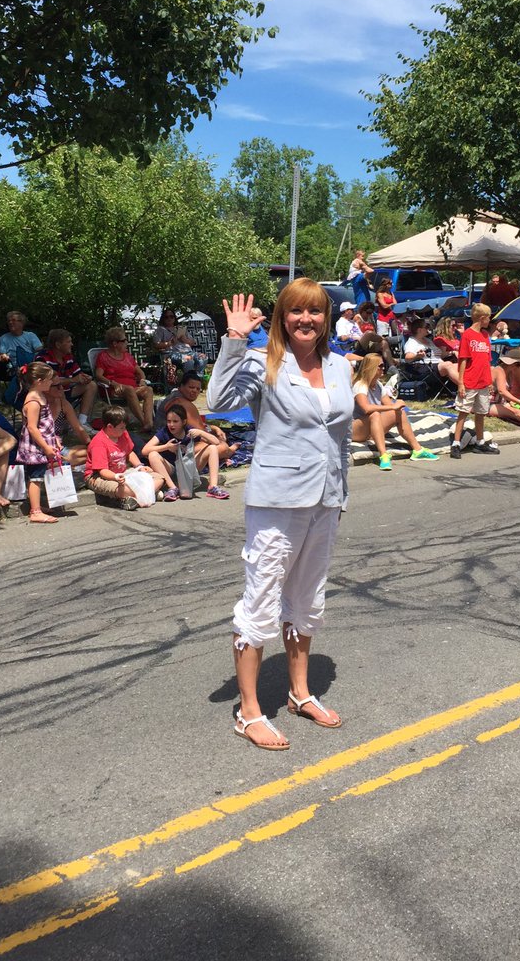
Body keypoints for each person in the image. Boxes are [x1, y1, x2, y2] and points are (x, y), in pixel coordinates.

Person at [206, 282, 354, 751]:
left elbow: (340, 438)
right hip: (277, 501)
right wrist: (233, 341)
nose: (305, 319)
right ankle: (249, 712)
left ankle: (300, 692)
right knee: (262, 597)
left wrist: (338, 493)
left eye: (314, 311)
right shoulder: (263, 360)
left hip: (325, 499)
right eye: (296, 311)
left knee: (307, 597)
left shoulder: (339, 366)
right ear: (282, 317)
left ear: (325, 318)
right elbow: (218, 401)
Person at [350, 353, 438, 469]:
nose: (384, 368)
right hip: (355, 429)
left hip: (370, 427)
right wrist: (393, 407)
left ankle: (417, 449)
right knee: (375, 414)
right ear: (371, 367)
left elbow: (390, 405)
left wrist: (396, 406)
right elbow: (366, 408)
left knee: (399, 411)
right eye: (380, 366)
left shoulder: (378, 385)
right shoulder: (360, 385)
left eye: (384, 365)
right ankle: (383, 455)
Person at [86, 407, 170, 508]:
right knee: (125, 490)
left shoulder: (123, 434)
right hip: (99, 476)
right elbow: (102, 471)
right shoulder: (99, 443)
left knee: (159, 478)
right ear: (109, 427)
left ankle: (137, 497)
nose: (124, 430)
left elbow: (129, 453)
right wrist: (116, 477)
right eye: (121, 428)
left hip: (123, 472)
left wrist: (139, 467)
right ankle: (144, 495)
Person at [142, 404, 229, 499]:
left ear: (183, 422)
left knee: (212, 448)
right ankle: (172, 488)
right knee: (153, 454)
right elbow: (145, 450)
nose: (171, 425)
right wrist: (166, 447)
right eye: (169, 421)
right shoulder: (164, 432)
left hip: (189, 468)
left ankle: (213, 487)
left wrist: (201, 432)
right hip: (171, 469)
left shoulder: (190, 431)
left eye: (175, 421)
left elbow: (216, 442)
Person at [15, 361, 63, 525]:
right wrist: (45, 447)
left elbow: (46, 423)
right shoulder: (34, 401)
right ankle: (35, 511)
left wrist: (54, 439)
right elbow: (32, 428)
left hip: (43, 442)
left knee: (39, 475)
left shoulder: (40, 396)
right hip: (36, 446)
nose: (52, 383)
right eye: (49, 380)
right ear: (38, 381)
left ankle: (37, 506)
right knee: (36, 477)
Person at [450, 303, 499, 460]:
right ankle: (456, 443)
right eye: (489, 317)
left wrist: (489, 381)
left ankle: (480, 442)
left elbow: (487, 361)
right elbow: (463, 360)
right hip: (470, 380)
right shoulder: (468, 335)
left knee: (481, 412)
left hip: (483, 382)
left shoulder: (485, 336)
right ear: (482, 318)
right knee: (463, 412)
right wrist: (461, 382)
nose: (490, 320)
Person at [160, 371, 238, 463]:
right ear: (181, 386)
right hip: (172, 447)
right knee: (222, 447)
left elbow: (194, 425)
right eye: (191, 387)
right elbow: (201, 431)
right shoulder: (183, 403)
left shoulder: (175, 398)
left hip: (173, 442)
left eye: (198, 389)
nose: (195, 391)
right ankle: (230, 450)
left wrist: (214, 428)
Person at [93, 326, 154, 432]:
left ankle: (149, 423)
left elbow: (140, 372)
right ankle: (144, 423)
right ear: (115, 343)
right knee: (129, 389)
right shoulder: (103, 356)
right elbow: (98, 375)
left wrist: (142, 380)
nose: (127, 343)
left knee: (148, 390)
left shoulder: (128, 356)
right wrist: (113, 383)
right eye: (124, 340)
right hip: (113, 389)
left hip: (132, 389)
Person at [37, 328, 97, 430]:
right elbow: (47, 382)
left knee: (91, 385)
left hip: (66, 391)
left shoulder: (68, 357)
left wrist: (85, 377)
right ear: (58, 345)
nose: (72, 344)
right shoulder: (42, 358)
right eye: (68, 342)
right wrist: (73, 380)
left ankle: (82, 422)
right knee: (58, 389)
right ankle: (61, 424)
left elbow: (78, 373)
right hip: (49, 394)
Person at [153, 308, 208, 377]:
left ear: (174, 318)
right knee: (188, 359)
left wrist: (184, 339)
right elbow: (156, 345)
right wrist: (171, 343)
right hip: (172, 354)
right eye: (166, 317)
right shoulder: (160, 329)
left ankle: (198, 378)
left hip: (188, 352)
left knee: (203, 357)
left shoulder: (180, 328)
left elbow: (193, 343)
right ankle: (189, 380)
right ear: (163, 319)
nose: (169, 318)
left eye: (171, 316)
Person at [0, 311, 42, 375]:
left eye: (14, 320)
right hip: (13, 367)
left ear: (22, 323)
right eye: (9, 321)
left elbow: (40, 350)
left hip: (31, 366)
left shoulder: (30, 336)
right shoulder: (4, 338)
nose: (10, 322)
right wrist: (3, 357)